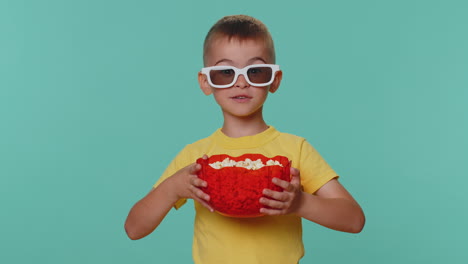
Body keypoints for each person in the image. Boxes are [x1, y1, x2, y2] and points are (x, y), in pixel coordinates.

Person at [124, 15, 365, 264]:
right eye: (225, 72)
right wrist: (172, 188)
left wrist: (301, 203)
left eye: (256, 72)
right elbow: (134, 228)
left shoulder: (296, 150)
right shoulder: (195, 158)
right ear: (206, 82)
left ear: (275, 80)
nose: (241, 82)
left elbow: (354, 219)